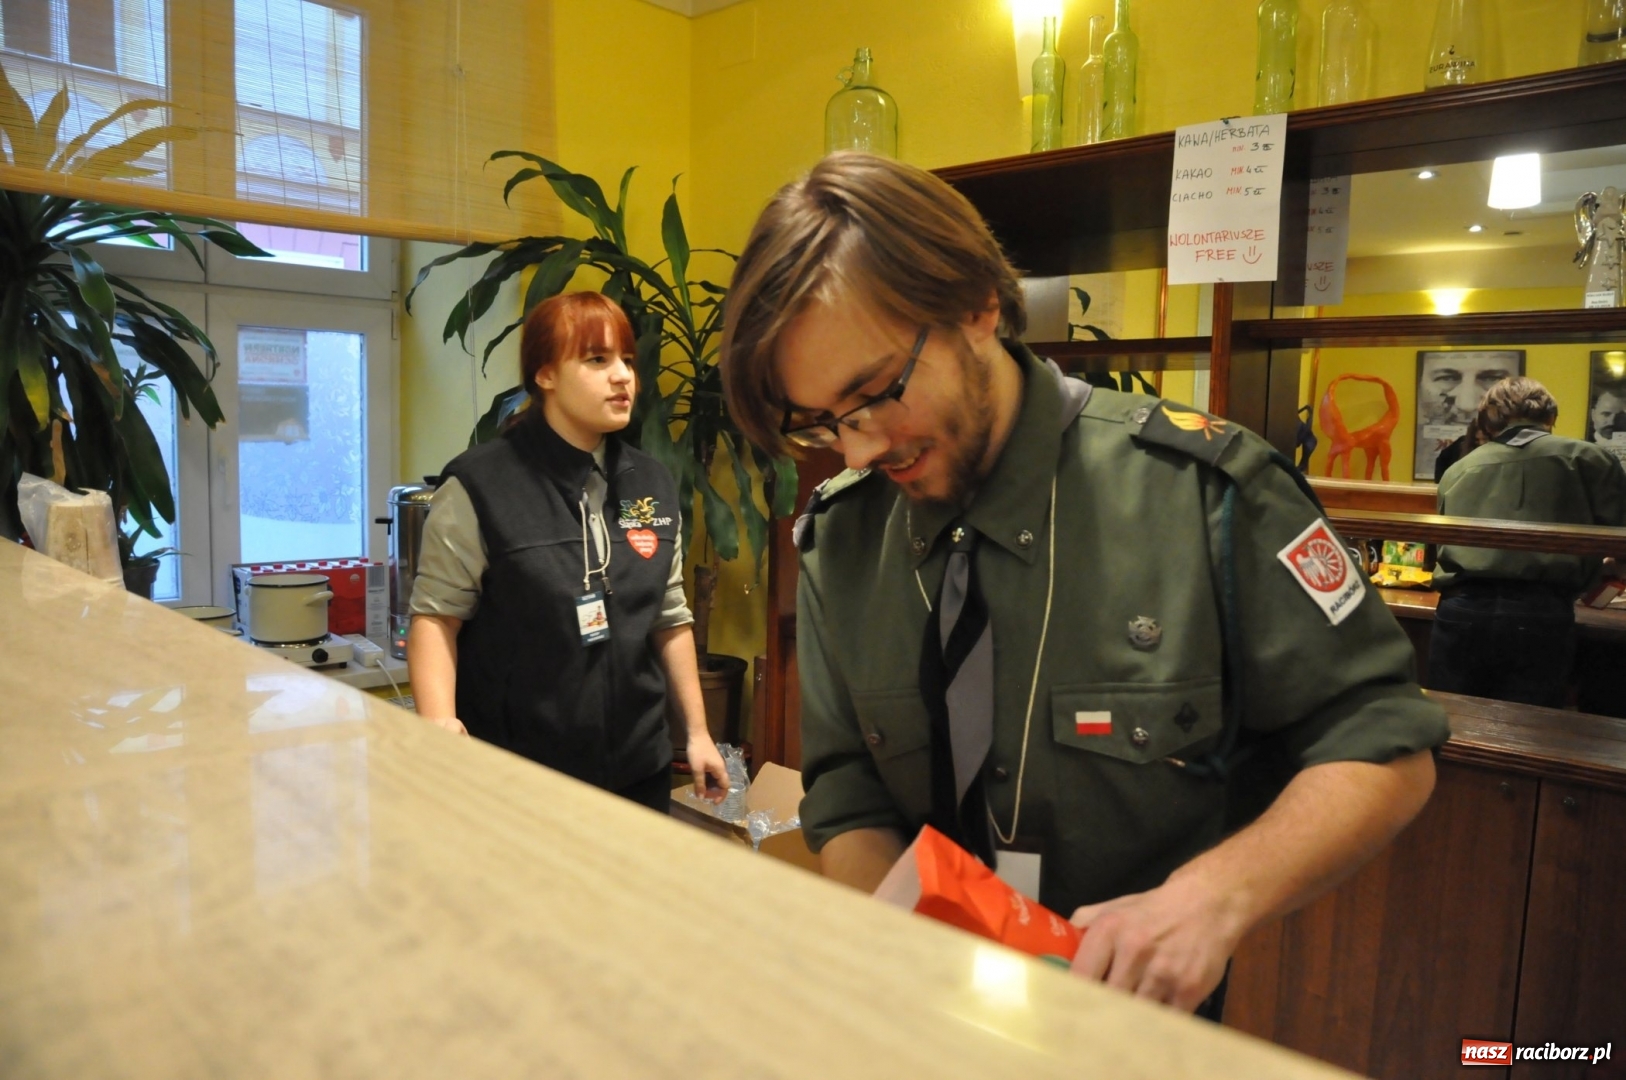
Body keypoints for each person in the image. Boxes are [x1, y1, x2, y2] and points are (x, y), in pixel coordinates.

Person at [719, 152, 1448, 1017]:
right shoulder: (843, 537)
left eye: (876, 393)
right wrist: (902, 956)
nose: (860, 450)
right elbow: (846, 793)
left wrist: (1211, 900)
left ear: (977, 305)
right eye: (823, 423)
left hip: (1137, 1029)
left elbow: (1385, 744)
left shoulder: (1203, 492)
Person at [407, 291, 728, 811]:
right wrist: (439, 727)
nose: (623, 376)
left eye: (626, 359)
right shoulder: (480, 484)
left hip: (636, 770)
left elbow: (669, 614)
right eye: (597, 360)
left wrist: (697, 732)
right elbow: (436, 616)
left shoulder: (651, 481)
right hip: (517, 774)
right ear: (546, 374)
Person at [1429, 376, 1626, 707]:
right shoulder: (1590, 459)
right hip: (1540, 612)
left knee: (1452, 722)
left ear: (1491, 419)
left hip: (1460, 608)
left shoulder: (1459, 469)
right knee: (1531, 729)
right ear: (1551, 417)